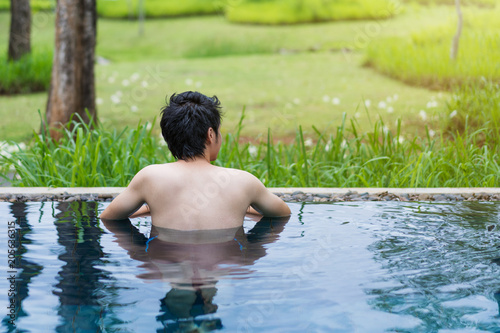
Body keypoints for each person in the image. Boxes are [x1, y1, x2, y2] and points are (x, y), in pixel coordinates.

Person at [100, 91, 291, 229]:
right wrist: (244, 207)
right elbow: (282, 213)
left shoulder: (149, 178)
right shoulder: (243, 182)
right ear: (210, 134)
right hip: (225, 263)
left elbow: (109, 217)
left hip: (170, 263)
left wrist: (148, 208)